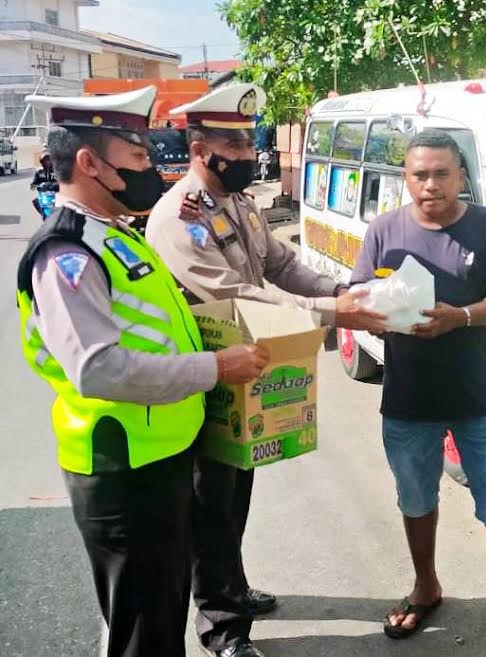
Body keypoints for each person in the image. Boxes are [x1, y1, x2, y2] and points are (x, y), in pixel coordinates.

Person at [15, 87, 269, 657]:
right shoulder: (68, 254)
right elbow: (98, 369)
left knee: (163, 609)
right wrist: (216, 367)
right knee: (142, 630)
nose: (152, 169)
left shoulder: (118, 233)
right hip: (122, 466)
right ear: (89, 163)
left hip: (160, 455)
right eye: (138, 158)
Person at [145, 83, 386, 657]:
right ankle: (223, 630)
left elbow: (280, 265)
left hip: (244, 374)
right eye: (239, 147)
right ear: (202, 150)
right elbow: (241, 296)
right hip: (206, 377)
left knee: (235, 493)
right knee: (209, 507)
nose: (252, 157)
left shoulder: (239, 204)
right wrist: (335, 311)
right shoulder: (180, 219)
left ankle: (232, 585)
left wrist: (342, 289)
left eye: (251, 144)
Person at [350, 130, 486, 656]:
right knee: (415, 500)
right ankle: (425, 586)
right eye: (419, 174)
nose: (430, 184)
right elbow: (358, 296)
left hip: (479, 397)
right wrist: (381, 316)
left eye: (441, 173)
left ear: (461, 175)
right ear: (405, 178)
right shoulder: (384, 230)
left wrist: (460, 317)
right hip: (409, 399)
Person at [31, 145, 58, 215]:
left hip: (56, 195)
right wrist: (34, 186)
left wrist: (56, 185)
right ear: (42, 161)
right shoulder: (39, 172)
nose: (47, 162)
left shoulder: (57, 170)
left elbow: (64, 182)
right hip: (44, 195)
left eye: (48, 159)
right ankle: (43, 214)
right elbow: (33, 185)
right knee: (35, 201)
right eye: (45, 160)